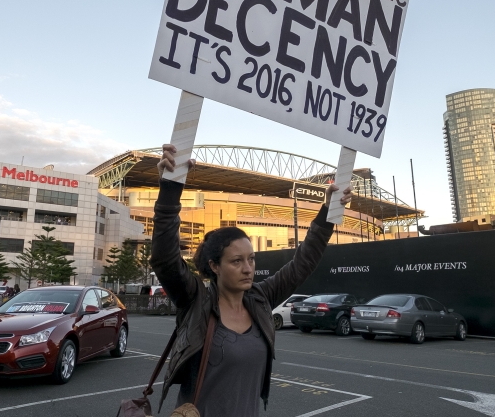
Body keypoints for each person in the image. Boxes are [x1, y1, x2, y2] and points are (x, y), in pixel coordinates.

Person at [150, 144, 351, 416]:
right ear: (214, 266)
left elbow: (302, 264)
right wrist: (170, 188)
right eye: (236, 261)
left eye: (251, 259)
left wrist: (327, 212)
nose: (248, 268)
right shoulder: (196, 301)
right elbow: (165, 258)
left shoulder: (260, 299)